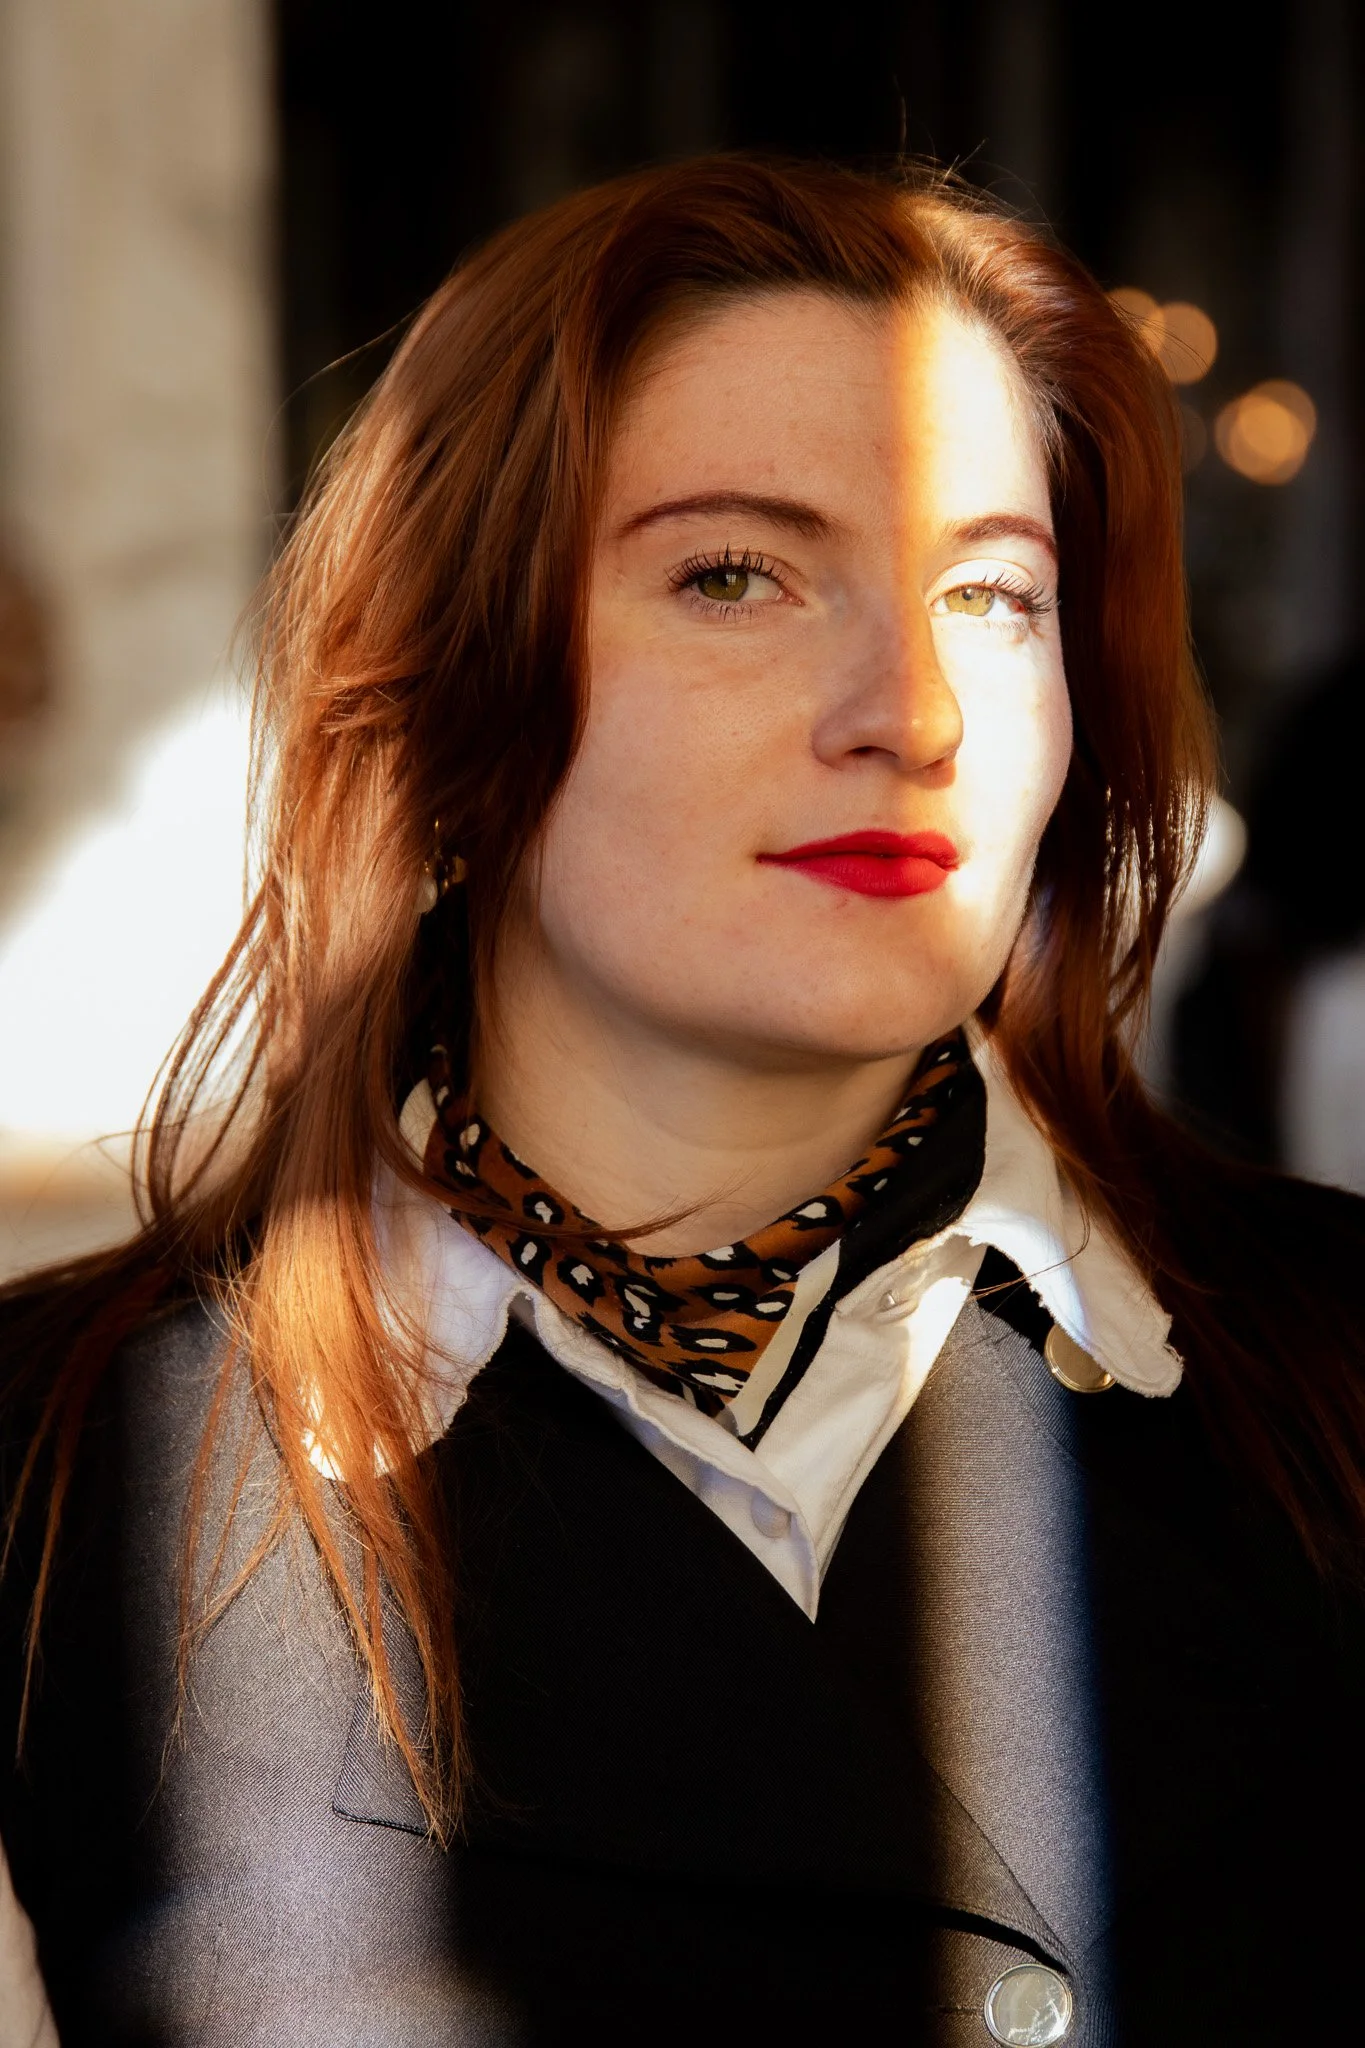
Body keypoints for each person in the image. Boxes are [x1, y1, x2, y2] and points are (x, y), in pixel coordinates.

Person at [1, 155, 1362, 2048]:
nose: (915, 710)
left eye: (993, 590)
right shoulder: (45, 1491)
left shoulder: (1340, 1378)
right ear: (452, 689)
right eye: (735, 573)